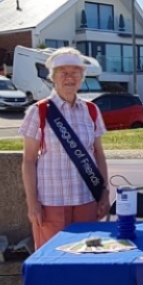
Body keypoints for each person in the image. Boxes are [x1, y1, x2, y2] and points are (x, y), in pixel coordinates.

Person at [20, 48, 110, 250]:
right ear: (53, 77)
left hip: (87, 200)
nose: (69, 77)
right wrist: (32, 203)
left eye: (75, 72)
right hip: (51, 204)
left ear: (81, 76)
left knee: (86, 260)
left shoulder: (91, 110)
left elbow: (99, 155)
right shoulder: (39, 111)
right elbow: (28, 160)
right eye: (63, 72)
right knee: (52, 263)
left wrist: (104, 193)